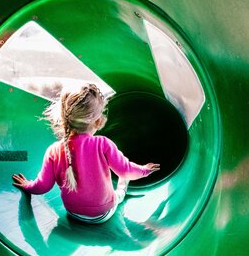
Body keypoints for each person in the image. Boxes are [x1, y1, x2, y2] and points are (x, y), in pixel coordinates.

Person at [12, 84, 160, 224]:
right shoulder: (102, 144)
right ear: (98, 122)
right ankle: (122, 187)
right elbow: (127, 171)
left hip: (72, 212)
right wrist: (145, 170)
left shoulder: (54, 150)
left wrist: (27, 186)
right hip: (103, 214)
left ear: (64, 119)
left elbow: (42, 186)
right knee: (121, 185)